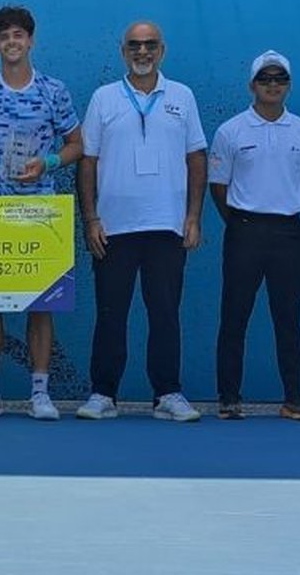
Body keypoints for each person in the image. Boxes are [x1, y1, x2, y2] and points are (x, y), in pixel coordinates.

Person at [75, 21, 207, 422]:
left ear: (162, 51)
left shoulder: (182, 96)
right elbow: (88, 161)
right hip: (113, 227)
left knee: (165, 313)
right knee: (111, 314)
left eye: (150, 45)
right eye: (135, 45)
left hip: (167, 225)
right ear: (123, 52)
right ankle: (102, 394)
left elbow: (197, 157)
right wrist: (91, 218)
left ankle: (168, 393)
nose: (142, 52)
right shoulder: (104, 98)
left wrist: (193, 216)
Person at [0, 5, 83, 420]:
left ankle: (40, 393)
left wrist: (46, 165)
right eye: (4, 37)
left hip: (39, 209)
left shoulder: (54, 91)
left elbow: (76, 145)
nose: (12, 42)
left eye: (18, 35)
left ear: (30, 40)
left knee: (41, 304)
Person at [208, 51, 300, 421]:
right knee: (235, 316)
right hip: (244, 231)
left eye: (280, 79)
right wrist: (244, 218)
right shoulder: (231, 130)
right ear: (252, 85)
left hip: (288, 233)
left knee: (288, 317)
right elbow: (219, 187)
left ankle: (294, 398)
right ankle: (228, 397)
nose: (273, 85)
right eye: (265, 79)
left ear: (288, 85)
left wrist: (281, 207)